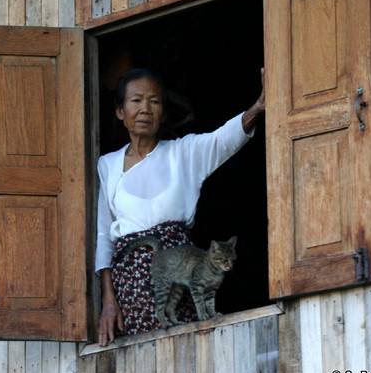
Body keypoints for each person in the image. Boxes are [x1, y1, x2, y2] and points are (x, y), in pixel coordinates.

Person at [96, 68, 265, 346]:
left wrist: (257, 108)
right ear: (120, 111)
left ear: (163, 113)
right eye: (136, 101)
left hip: (177, 272)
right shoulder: (108, 164)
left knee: (183, 354)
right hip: (131, 285)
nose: (145, 109)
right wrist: (108, 300)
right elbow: (104, 235)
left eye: (154, 101)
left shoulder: (182, 153)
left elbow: (222, 140)